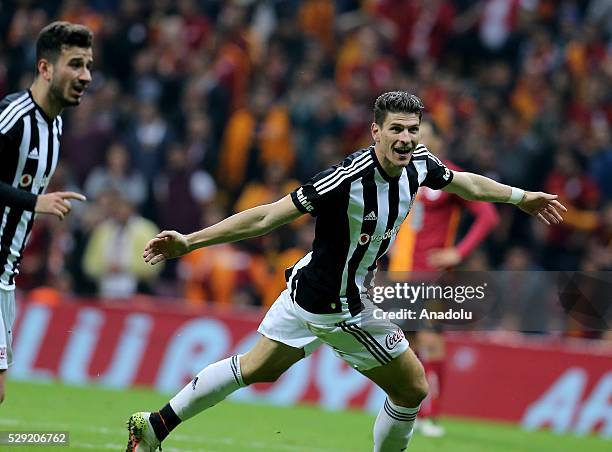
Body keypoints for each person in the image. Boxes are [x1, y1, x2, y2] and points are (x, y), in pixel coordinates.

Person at [126, 91, 566, 452]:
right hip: (336, 304)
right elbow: (266, 217)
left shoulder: (420, 164)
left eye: (412, 130)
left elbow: (466, 182)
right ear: (376, 131)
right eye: (396, 129)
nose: (406, 138)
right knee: (413, 388)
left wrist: (520, 197)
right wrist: (191, 240)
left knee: (257, 368)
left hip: (310, 285)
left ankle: (154, 426)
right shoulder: (347, 177)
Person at [387, 119, 500, 437]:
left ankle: (431, 415)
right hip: (399, 274)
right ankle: (411, 412)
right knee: (403, 344)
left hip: (431, 275)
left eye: (422, 136)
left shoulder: (447, 175)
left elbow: (488, 215)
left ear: (437, 140)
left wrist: (459, 253)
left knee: (430, 339)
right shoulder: (401, 173)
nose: (414, 141)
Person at [0, 21, 92, 404]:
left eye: (87, 65)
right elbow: (23, 199)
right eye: (74, 64)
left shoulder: (53, 127)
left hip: (6, 276)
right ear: (45, 68)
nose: (85, 76)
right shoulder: (13, 117)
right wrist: (34, 201)